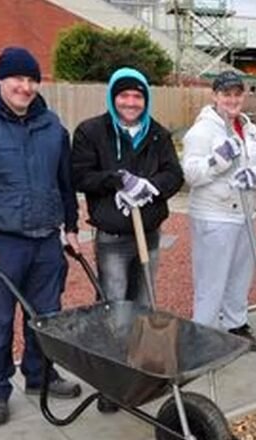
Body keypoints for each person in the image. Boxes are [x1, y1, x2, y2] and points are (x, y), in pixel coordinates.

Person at [0, 47, 82, 427]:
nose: (25, 87)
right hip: (0, 243)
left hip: (46, 241)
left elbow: (65, 183)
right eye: (17, 79)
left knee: (46, 318)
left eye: (31, 80)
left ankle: (40, 375)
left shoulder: (52, 126)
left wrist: (71, 227)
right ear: (0, 80)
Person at [71, 67, 184, 412]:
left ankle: (142, 373)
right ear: (113, 97)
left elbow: (174, 174)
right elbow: (80, 176)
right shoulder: (92, 131)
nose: (131, 102)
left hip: (148, 234)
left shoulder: (157, 134)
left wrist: (150, 187)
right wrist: (117, 180)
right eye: (124, 95)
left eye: (138, 96)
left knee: (144, 304)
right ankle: (111, 383)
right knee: (115, 308)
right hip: (113, 238)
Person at [181, 71, 256, 351]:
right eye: (226, 94)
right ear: (215, 96)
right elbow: (191, 174)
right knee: (211, 279)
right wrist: (215, 162)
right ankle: (203, 335)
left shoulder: (250, 129)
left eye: (237, 94)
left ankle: (235, 324)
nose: (232, 99)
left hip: (244, 213)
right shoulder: (202, 131)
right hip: (214, 215)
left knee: (240, 275)